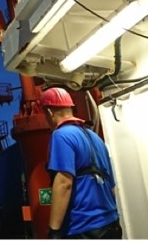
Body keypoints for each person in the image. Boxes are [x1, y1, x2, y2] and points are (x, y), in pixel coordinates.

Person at [40, 87, 123, 239]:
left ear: (49, 112)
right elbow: (111, 187)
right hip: (111, 224)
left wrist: (54, 231)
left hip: (84, 227)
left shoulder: (61, 135)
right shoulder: (95, 138)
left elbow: (64, 183)